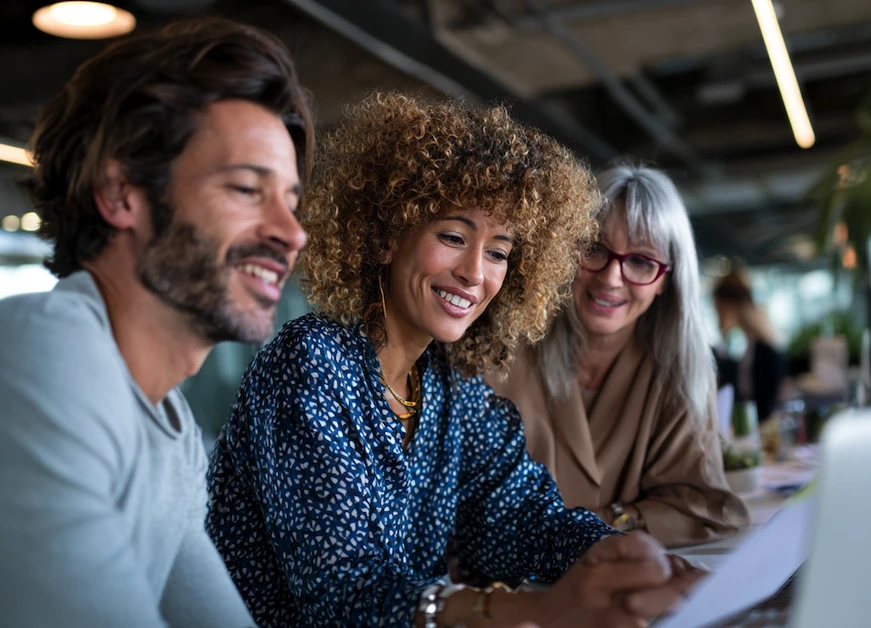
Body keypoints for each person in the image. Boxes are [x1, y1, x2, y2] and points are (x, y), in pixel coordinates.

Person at [207, 93, 702, 628]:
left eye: (497, 252)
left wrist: (637, 563)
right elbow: (342, 598)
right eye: (452, 236)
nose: (474, 273)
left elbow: (523, 520)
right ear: (387, 238)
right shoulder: (311, 363)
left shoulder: (449, 384)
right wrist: (533, 609)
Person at [0, 18, 313, 627]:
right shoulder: (45, 351)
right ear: (121, 195)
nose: (292, 233)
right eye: (249, 189)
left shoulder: (171, 434)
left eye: (292, 201)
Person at [487, 163, 748, 548]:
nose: (611, 277)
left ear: (666, 282)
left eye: (641, 261)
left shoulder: (679, 371)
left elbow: (705, 510)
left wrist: (598, 524)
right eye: (593, 247)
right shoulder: (502, 348)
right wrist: (633, 520)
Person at [712, 268, 787, 422]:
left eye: (719, 311)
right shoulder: (754, 342)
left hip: (763, 428)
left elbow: (767, 402)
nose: (718, 318)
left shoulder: (764, 348)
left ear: (729, 306)